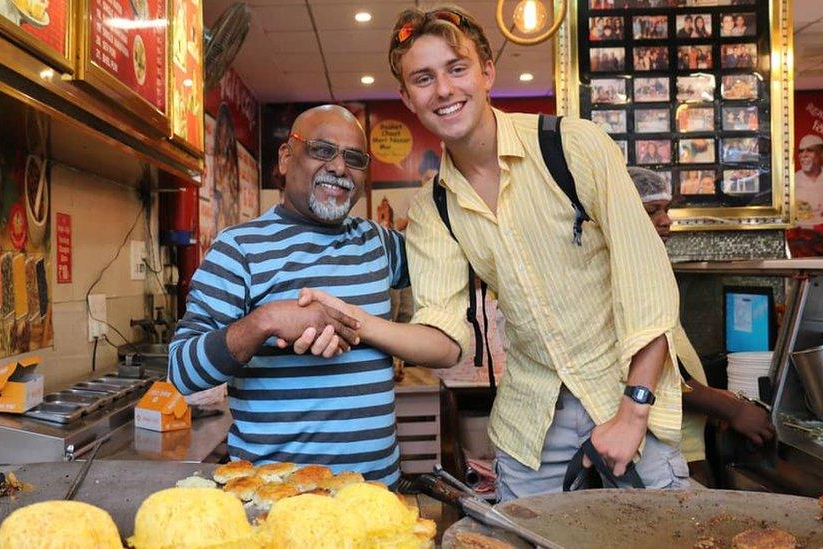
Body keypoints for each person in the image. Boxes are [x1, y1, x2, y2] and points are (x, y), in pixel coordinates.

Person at [388, 4, 688, 501]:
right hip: (529, 427)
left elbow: (650, 287)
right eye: (423, 78)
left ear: (486, 71)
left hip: (627, 401)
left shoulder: (572, 147)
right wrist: (353, 322)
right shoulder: (432, 207)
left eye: (456, 69)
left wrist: (633, 411)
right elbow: (444, 336)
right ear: (406, 97)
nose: (443, 89)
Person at [167, 105, 458, 486]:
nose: (339, 167)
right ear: (286, 158)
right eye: (322, 150)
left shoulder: (380, 243)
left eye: (354, 159)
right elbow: (181, 373)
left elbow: (450, 263)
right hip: (274, 498)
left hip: (373, 494)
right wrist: (264, 321)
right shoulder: (239, 248)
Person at [627, 167, 775, 480]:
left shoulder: (651, 270)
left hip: (685, 439)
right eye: (652, 211)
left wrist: (717, 400)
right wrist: (731, 410)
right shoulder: (628, 278)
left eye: (667, 210)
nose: (665, 220)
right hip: (660, 447)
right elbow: (655, 374)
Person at [795, 134, 823, 225]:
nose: (803, 155)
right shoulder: (792, 181)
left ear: (821, 153)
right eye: (801, 151)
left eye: (810, 150)